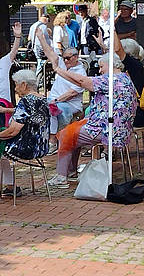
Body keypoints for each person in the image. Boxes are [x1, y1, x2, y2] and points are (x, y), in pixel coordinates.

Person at [47, 52, 137, 188]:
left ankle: (61, 176)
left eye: (101, 67)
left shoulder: (111, 80)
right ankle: (70, 172)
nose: (100, 71)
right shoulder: (125, 78)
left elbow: (82, 81)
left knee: (67, 134)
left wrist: (58, 70)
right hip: (121, 129)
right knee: (73, 130)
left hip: (107, 129)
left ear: (111, 64)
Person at [0, 70, 49, 202]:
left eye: (16, 85)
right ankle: (11, 186)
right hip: (40, 147)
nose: (15, 88)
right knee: (1, 149)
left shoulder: (26, 102)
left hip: (24, 148)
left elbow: (13, 131)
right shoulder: (43, 99)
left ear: (24, 85)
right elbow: (30, 113)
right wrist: (7, 110)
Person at [35, 27, 85, 154]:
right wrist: (41, 37)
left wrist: (55, 101)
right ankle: (42, 139)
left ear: (76, 57)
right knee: (37, 107)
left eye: (68, 58)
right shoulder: (62, 63)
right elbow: (49, 53)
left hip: (70, 104)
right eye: (64, 58)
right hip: (55, 99)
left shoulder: (81, 73)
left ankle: (53, 140)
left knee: (52, 109)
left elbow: (72, 93)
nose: (65, 60)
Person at [115, 35, 144, 127]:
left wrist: (112, 30)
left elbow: (118, 50)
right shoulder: (136, 65)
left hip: (136, 115)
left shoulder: (133, 65)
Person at [28, 14, 50, 88]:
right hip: (41, 51)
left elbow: (29, 38)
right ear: (46, 19)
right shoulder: (43, 27)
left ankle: (35, 84)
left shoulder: (33, 26)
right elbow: (43, 40)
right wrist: (46, 51)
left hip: (34, 50)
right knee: (40, 68)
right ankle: (36, 85)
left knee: (37, 67)